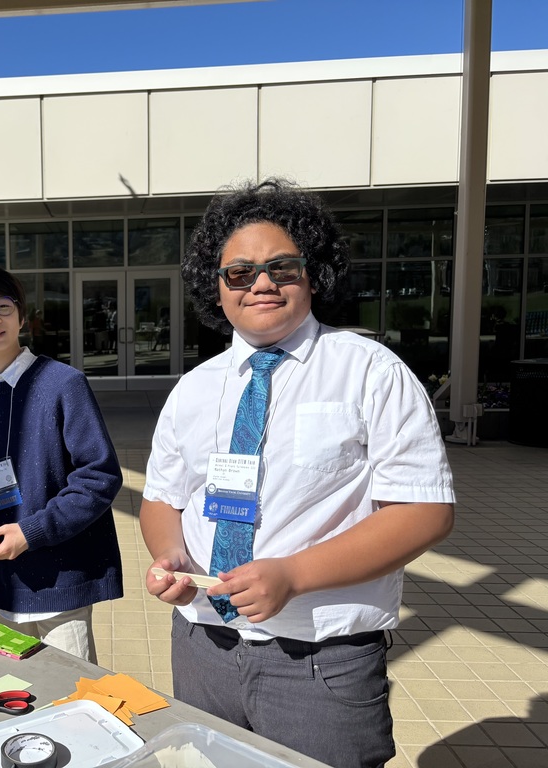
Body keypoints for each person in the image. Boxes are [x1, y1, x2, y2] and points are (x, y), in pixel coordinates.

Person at [139, 179, 455, 768]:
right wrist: (172, 558)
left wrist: (293, 574)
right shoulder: (194, 389)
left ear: (314, 274)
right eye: (239, 273)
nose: (261, 283)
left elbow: (425, 511)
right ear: (217, 287)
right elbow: (162, 499)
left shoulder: (370, 372)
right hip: (203, 642)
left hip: (319, 659)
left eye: (280, 267)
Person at [0, 264, 124, 663]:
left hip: (61, 583)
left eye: (3, 306)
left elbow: (99, 475)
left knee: (69, 700)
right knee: (11, 689)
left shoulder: (63, 384)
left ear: (22, 316)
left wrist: (32, 531)